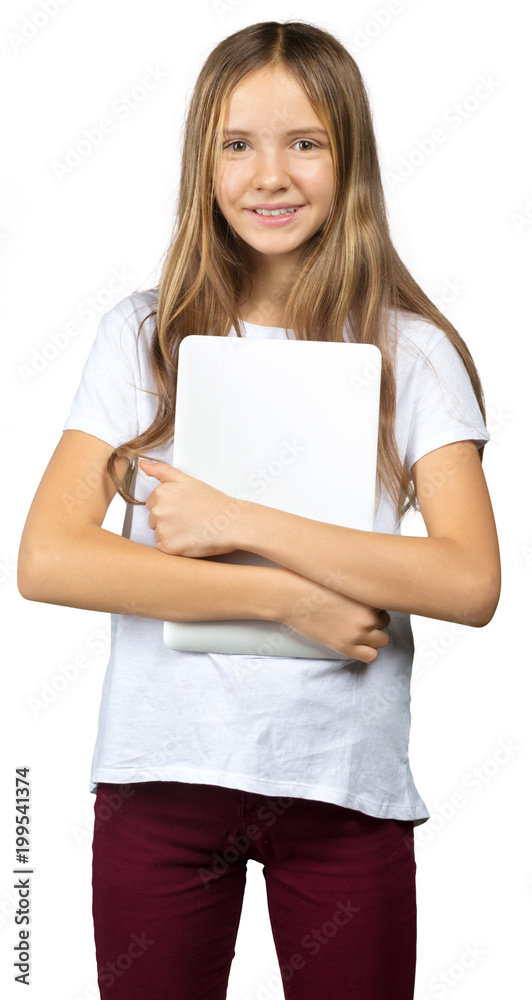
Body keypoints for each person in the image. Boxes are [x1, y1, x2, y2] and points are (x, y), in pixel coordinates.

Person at [17, 19, 500, 1000]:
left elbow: (468, 579)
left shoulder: (412, 353)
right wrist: (289, 604)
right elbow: (50, 559)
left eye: (304, 142)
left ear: (350, 159)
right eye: (238, 144)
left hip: (343, 791)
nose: (268, 175)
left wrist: (240, 523)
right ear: (204, 161)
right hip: (163, 779)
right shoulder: (142, 336)